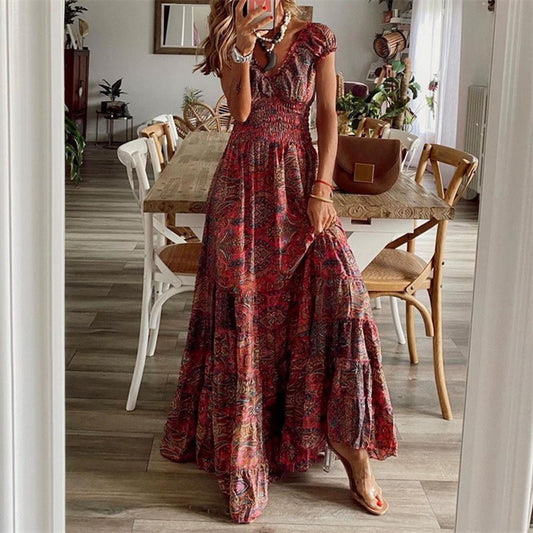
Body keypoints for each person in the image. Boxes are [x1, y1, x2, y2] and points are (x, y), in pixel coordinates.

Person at [160, 0, 398, 523]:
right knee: (245, 317)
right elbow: (242, 114)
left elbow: (328, 115)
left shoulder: (317, 37)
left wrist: (322, 188)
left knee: (347, 299)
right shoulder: (229, 36)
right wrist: (243, 48)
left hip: (300, 181)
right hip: (242, 189)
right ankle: (248, 453)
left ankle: (355, 454)